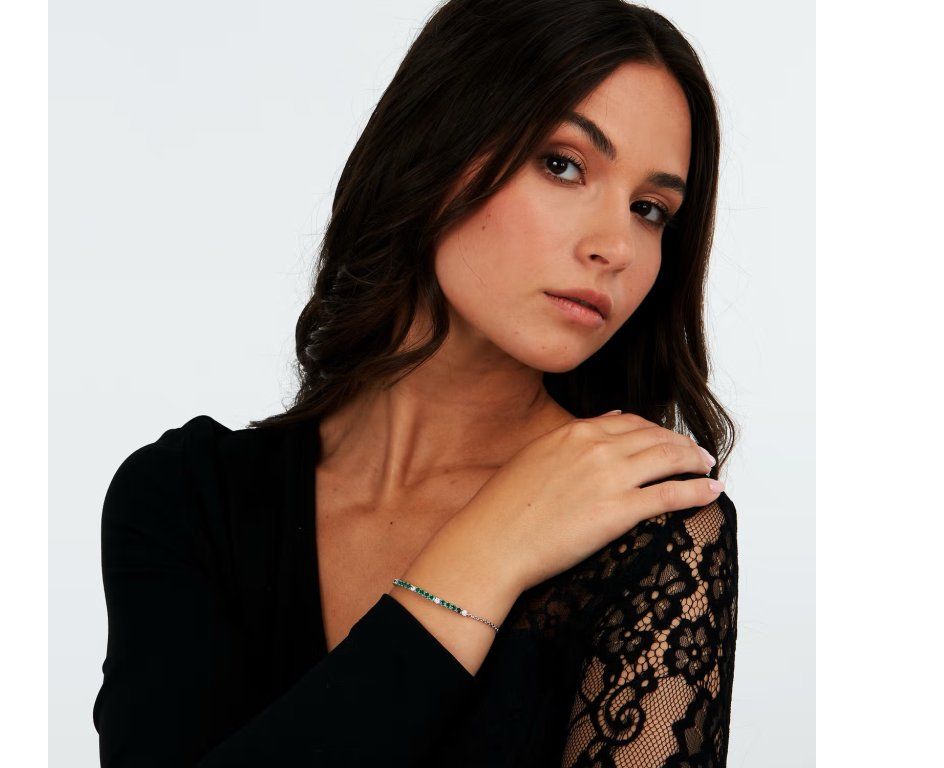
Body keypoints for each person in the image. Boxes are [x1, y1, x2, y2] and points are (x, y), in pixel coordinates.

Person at [92, 0, 740, 765]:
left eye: (650, 209)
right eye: (563, 164)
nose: (616, 246)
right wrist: (487, 553)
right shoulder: (186, 498)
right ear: (437, 145)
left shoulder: (651, 523)